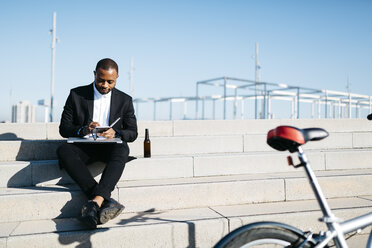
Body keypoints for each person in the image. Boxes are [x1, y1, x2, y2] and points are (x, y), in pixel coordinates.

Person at [57, 58, 138, 229]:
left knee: (122, 148)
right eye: (101, 80)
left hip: (109, 147)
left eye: (111, 82)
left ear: (117, 78)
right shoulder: (76, 95)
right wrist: (82, 130)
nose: (105, 85)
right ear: (94, 75)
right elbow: (64, 129)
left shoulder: (125, 100)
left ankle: (94, 203)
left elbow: (133, 132)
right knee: (64, 150)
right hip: (84, 146)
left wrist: (116, 132)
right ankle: (103, 201)